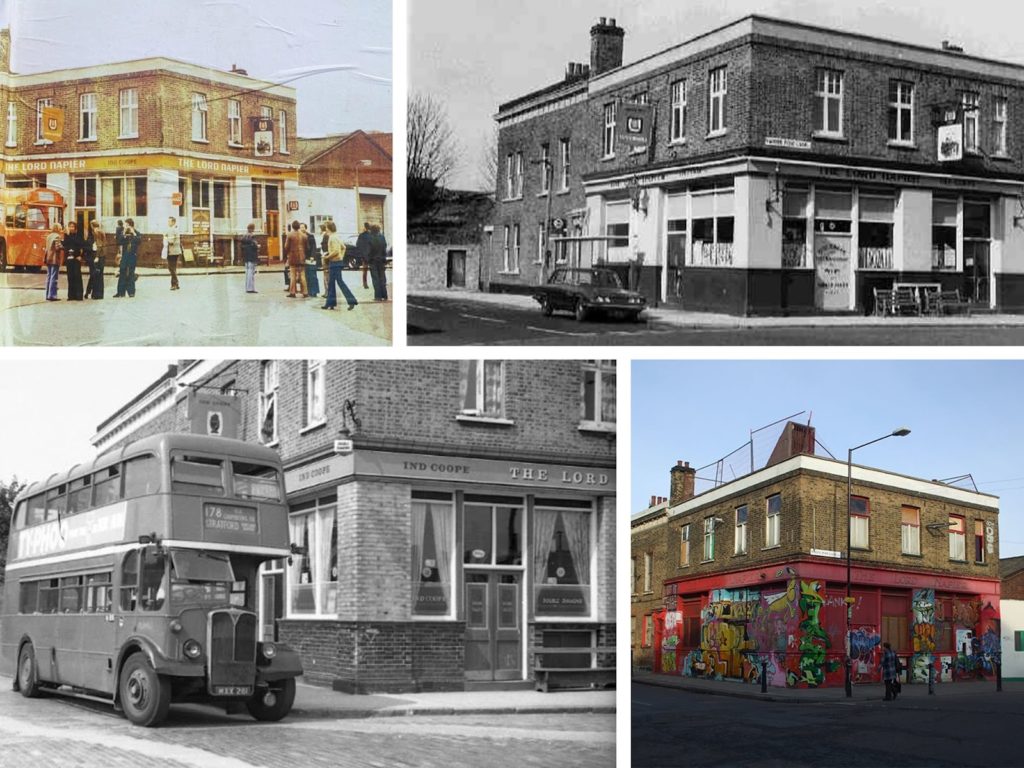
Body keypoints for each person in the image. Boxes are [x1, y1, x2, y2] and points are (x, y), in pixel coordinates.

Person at [321, 220, 357, 310]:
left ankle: (350, 300)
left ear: (328, 228)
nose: (325, 229)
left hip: (334, 263)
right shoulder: (337, 236)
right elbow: (343, 247)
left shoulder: (332, 238)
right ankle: (331, 303)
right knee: (332, 283)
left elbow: (336, 250)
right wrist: (341, 257)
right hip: (337, 262)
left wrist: (327, 257)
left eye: (326, 227)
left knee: (336, 282)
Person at [115, 219, 141, 298]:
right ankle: (120, 292)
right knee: (122, 272)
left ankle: (131, 292)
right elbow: (119, 241)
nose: (125, 226)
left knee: (131, 273)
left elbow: (139, 241)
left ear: (131, 225)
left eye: (127, 225)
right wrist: (123, 233)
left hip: (132, 255)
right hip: (124, 255)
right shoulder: (123, 232)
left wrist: (133, 233)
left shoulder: (136, 233)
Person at [62, 221, 86, 301]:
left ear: (75, 228)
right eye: (70, 226)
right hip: (69, 258)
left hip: (76, 258)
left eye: (72, 226)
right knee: (70, 276)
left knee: (77, 276)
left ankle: (79, 295)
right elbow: (65, 246)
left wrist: (81, 256)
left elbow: (83, 246)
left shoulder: (79, 236)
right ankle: (71, 296)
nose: (71, 228)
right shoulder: (67, 236)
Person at [284, 220, 307, 298]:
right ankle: (305, 292)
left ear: (292, 226)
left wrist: (288, 254)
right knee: (302, 275)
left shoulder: (290, 235)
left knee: (293, 275)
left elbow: (286, 247)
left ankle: (293, 292)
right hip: (302, 257)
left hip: (293, 257)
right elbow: (307, 247)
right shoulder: (304, 235)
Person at [84, 220, 106, 299]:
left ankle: (95, 294)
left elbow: (99, 245)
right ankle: (95, 293)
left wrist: (97, 256)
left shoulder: (96, 232)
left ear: (92, 225)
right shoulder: (100, 231)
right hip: (101, 256)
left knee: (95, 275)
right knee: (98, 275)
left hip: (97, 256)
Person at [44, 222, 65, 301]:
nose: (61, 229)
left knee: (49, 276)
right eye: (60, 227)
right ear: (57, 228)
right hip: (54, 258)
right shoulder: (57, 236)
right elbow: (57, 247)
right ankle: (52, 295)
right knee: (54, 277)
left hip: (48, 258)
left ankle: (47, 294)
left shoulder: (49, 236)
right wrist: (63, 246)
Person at [367, 224, 389, 301]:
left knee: (375, 279)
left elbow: (369, 250)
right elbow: (385, 248)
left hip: (373, 260)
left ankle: (378, 296)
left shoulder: (370, 238)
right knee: (382, 278)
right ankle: (385, 295)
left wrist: (368, 259)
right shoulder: (382, 237)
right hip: (382, 260)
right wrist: (384, 259)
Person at [301, 223, 321, 298]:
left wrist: (313, 256)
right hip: (304, 258)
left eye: (303, 227)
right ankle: (309, 291)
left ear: (306, 228)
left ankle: (314, 291)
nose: (301, 228)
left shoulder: (310, 236)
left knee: (313, 275)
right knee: (307, 276)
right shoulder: (300, 236)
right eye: (300, 227)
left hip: (310, 258)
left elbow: (314, 247)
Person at [240, 223, 259, 293]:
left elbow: (242, 247)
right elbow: (255, 246)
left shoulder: (243, 237)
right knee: (251, 272)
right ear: (252, 229)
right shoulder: (252, 237)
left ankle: (247, 288)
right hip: (252, 256)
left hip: (246, 256)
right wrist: (258, 246)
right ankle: (251, 288)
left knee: (248, 272)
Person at [164, 216, 182, 290]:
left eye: (170, 221)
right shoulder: (174, 229)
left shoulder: (173, 230)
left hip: (173, 251)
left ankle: (174, 284)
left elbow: (171, 241)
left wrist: (165, 238)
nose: (168, 223)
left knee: (171, 267)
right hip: (174, 251)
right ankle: (176, 283)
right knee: (172, 268)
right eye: (168, 221)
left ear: (173, 222)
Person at [355, 221, 373, 289]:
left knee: (364, 271)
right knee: (373, 270)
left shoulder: (361, 235)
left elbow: (357, 245)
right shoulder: (372, 235)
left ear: (365, 228)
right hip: (371, 255)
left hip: (364, 256)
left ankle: (365, 284)